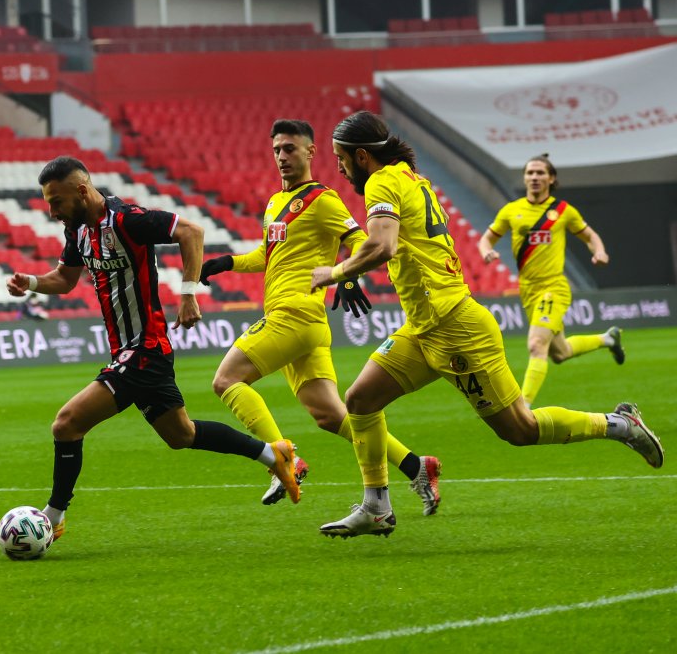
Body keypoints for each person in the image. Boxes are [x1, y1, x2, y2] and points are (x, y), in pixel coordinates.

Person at [311, 111, 664, 539]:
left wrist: (334, 273)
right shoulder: (411, 178)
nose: (340, 168)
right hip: (423, 327)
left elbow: (382, 245)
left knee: (520, 429)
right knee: (361, 399)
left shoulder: (383, 182)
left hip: (455, 327)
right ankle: (376, 507)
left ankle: (620, 424)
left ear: (362, 156)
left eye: (341, 159)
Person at [6, 156, 300, 543]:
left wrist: (188, 294)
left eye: (56, 201)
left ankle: (53, 516)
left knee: (66, 424)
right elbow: (64, 280)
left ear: (81, 191)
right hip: (132, 353)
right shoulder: (77, 230)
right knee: (181, 435)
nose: (52, 211)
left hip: (144, 349)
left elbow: (191, 232)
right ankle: (272, 454)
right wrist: (29, 282)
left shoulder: (127, 220)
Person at [199, 119, 442, 515]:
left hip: (295, 313)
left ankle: (282, 459)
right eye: (277, 149)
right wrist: (226, 262)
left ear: (311, 152)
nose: (282, 157)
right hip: (300, 325)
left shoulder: (323, 199)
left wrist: (347, 277)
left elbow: (363, 240)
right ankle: (417, 466)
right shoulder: (276, 204)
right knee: (332, 416)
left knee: (226, 380)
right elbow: (267, 255)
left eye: (291, 149)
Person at [477, 154, 624, 407]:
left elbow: (590, 236)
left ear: (551, 178)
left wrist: (598, 251)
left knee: (536, 344)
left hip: (554, 287)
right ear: (524, 178)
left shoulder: (563, 211)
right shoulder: (511, 210)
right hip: (528, 290)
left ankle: (523, 406)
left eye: (540, 173)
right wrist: (486, 251)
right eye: (530, 173)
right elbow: (486, 238)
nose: (534, 177)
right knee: (560, 352)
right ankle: (608, 339)